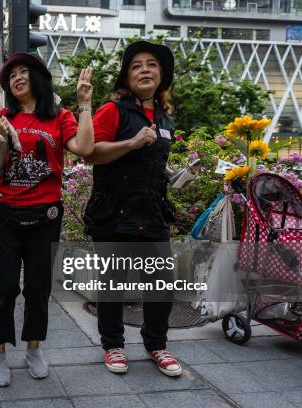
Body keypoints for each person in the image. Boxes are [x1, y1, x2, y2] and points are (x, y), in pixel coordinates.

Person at [0, 52, 94, 387]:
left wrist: (84, 105)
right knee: (4, 286)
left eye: (24, 72)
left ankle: (33, 348)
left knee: (38, 288)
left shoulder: (59, 117)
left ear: (39, 78)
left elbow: (84, 147)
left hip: (46, 215)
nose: (17, 78)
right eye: (11, 75)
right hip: (4, 214)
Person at [83, 41, 182, 377]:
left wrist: (175, 173)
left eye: (151, 64)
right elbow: (92, 153)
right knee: (112, 284)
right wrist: (131, 143)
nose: (144, 69)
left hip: (152, 212)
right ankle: (113, 346)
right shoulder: (113, 110)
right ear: (127, 76)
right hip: (114, 213)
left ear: (161, 75)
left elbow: (153, 162)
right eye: (136, 65)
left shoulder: (166, 118)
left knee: (162, 284)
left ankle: (156, 346)